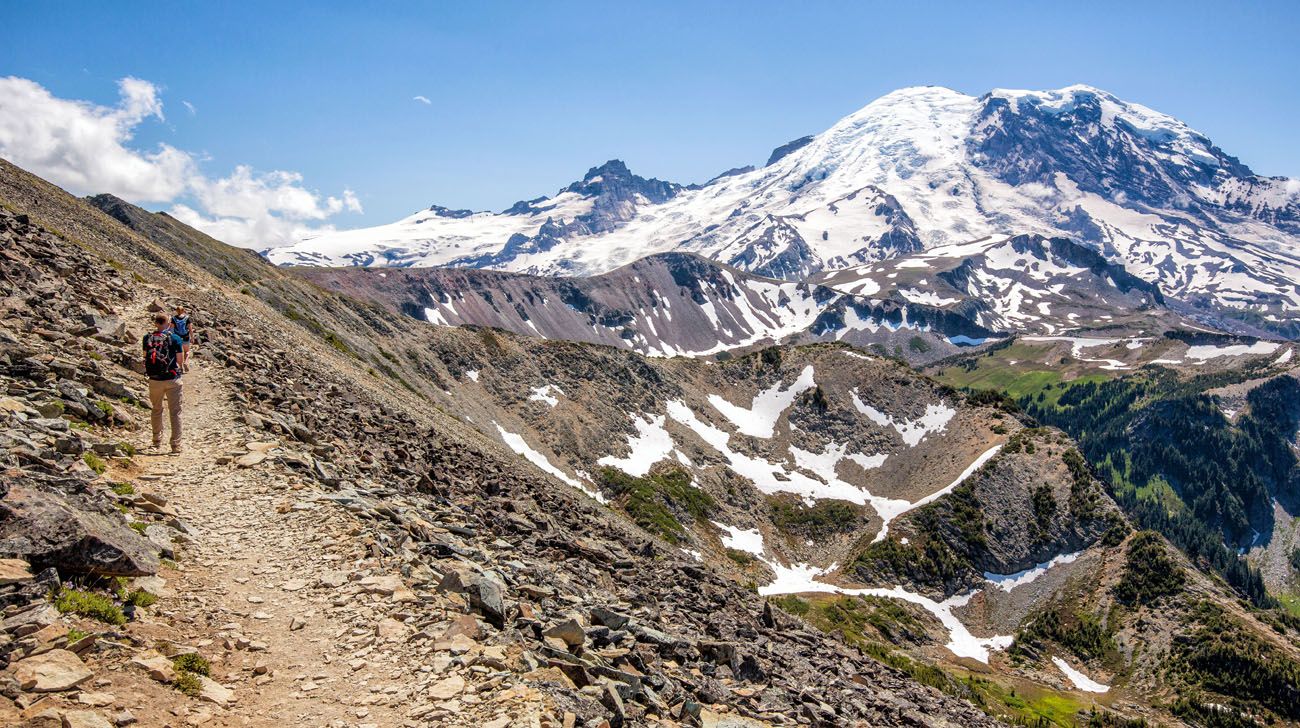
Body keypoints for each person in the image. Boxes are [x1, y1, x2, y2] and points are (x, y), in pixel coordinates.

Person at [143, 313, 186, 454]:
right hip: (172, 379)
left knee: (156, 409)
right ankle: (175, 445)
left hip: (155, 380)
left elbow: (145, 357)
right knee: (175, 412)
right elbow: (180, 360)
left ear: (155, 323)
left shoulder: (147, 338)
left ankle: (156, 440)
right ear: (168, 323)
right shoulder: (175, 338)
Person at [171, 306, 193, 373]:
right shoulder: (187, 318)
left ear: (177, 311)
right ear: (183, 311)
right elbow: (190, 329)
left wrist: (172, 337)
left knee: (179, 352)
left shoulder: (173, 318)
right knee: (187, 351)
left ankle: (180, 367)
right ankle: (185, 362)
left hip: (177, 337)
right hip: (185, 337)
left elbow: (172, 329)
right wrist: (192, 337)